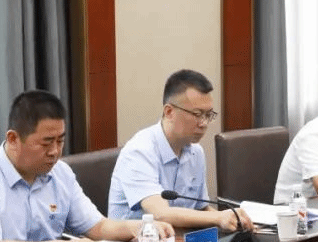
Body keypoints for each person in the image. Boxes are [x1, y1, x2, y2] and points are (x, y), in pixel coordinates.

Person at [0, 90, 172, 242]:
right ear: (13, 139)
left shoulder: (60, 173)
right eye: (46, 143)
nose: (55, 152)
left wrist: (139, 226)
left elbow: (98, 227)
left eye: (60, 141)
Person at [108, 69, 253, 231]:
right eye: (197, 114)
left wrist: (234, 220)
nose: (204, 123)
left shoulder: (196, 152)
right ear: (169, 112)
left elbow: (200, 209)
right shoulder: (139, 151)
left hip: (179, 241)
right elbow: (160, 214)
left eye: (208, 115)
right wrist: (219, 217)